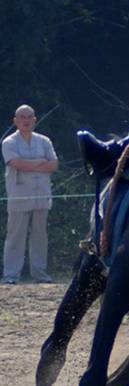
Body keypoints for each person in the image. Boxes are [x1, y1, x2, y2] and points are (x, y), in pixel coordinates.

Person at [2, 105, 59, 284]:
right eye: (22, 117)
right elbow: (16, 163)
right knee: (15, 236)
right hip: (19, 195)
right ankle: (11, 276)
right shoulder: (9, 142)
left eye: (29, 117)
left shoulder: (44, 141)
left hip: (42, 194)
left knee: (40, 236)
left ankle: (40, 274)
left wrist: (32, 164)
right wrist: (40, 162)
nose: (26, 120)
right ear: (15, 121)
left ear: (34, 120)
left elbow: (54, 165)